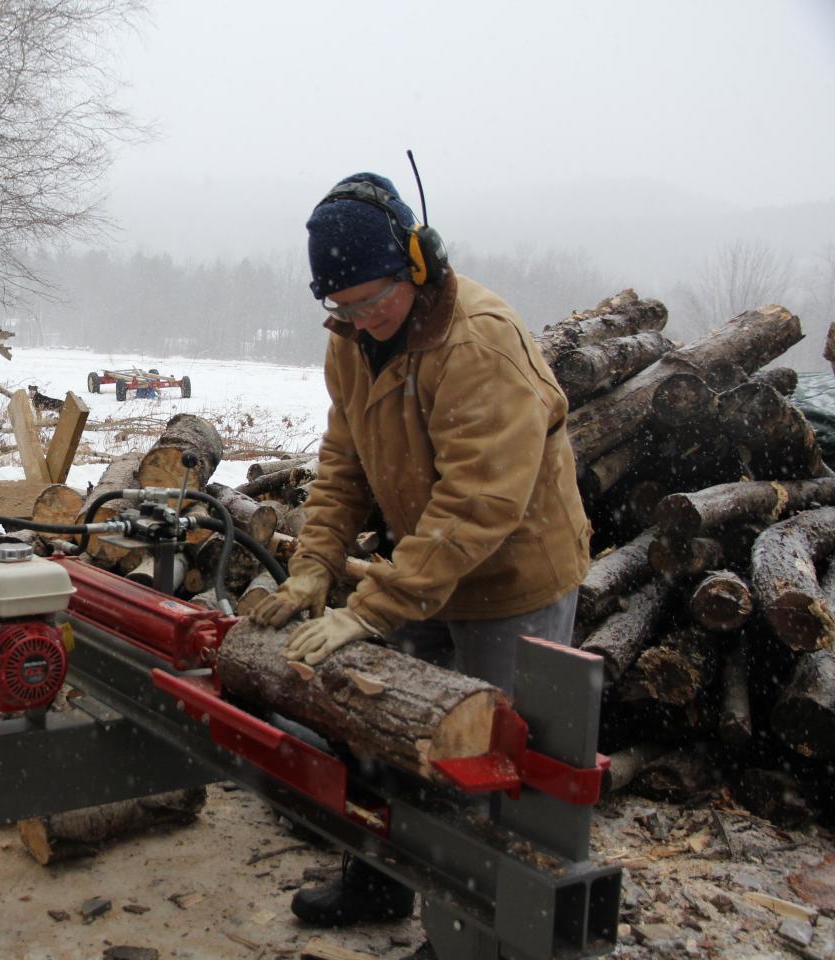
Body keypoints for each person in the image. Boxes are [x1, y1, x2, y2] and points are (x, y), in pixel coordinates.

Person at [250, 173, 592, 937]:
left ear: (418, 262)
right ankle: (378, 884)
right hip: (426, 565)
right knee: (387, 729)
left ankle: (473, 937)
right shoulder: (353, 340)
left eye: (376, 302)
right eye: (344, 308)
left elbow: (478, 504)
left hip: (511, 578)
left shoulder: (478, 342)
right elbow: (343, 460)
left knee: (486, 765)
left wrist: (369, 610)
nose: (364, 321)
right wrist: (314, 564)